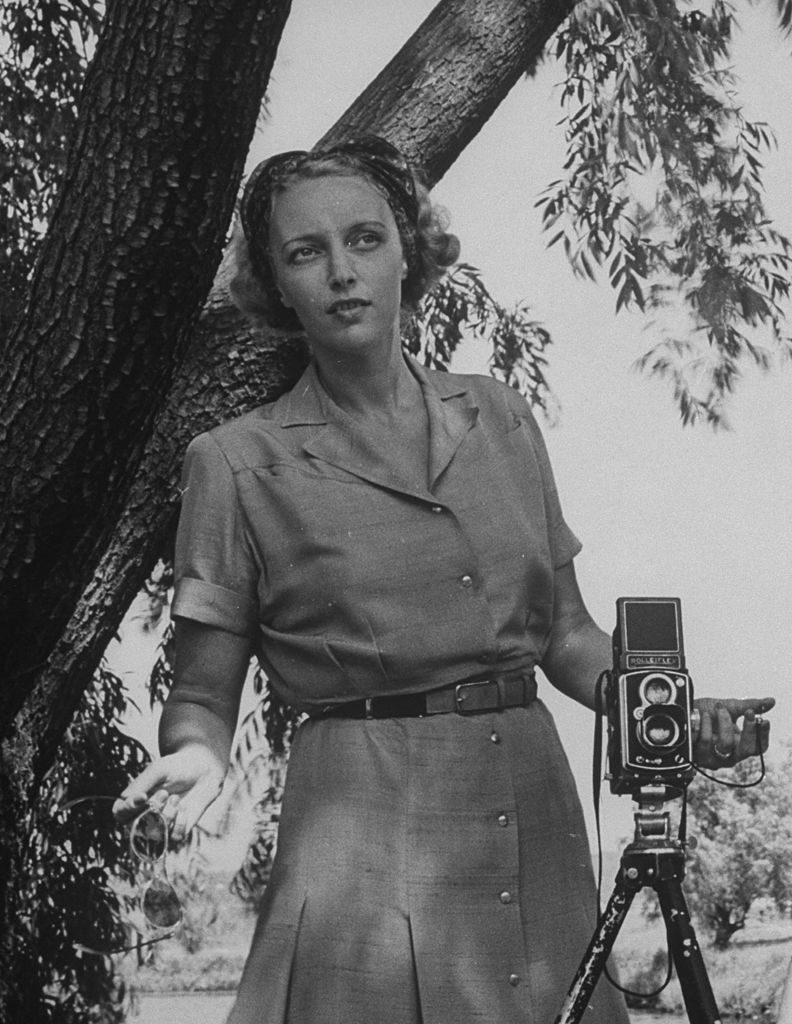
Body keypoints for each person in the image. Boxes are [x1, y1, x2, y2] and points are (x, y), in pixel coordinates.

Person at [114, 136, 773, 1024]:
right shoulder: (233, 464)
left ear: (408, 251)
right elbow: (201, 691)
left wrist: (669, 713)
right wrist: (196, 753)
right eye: (307, 253)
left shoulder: (500, 415)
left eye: (365, 240)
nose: (342, 272)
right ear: (276, 287)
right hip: (363, 822)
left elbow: (566, 635)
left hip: (530, 797)